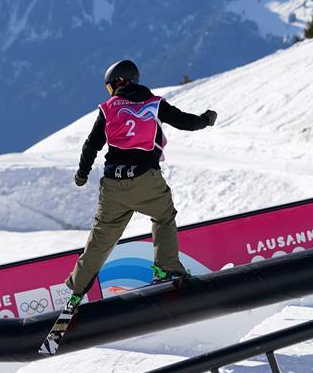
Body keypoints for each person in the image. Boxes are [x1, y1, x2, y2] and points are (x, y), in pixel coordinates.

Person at [64, 59, 217, 304]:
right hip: (146, 179)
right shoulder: (154, 104)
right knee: (164, 216)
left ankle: (76, 289)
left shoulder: (108, 108)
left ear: (118, 83)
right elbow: (186, 123)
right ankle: (167, 269)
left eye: (109, 87)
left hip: (113, 184)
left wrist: (82, 174)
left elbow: (91, 145)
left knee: (101, 237)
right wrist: (206, 119)